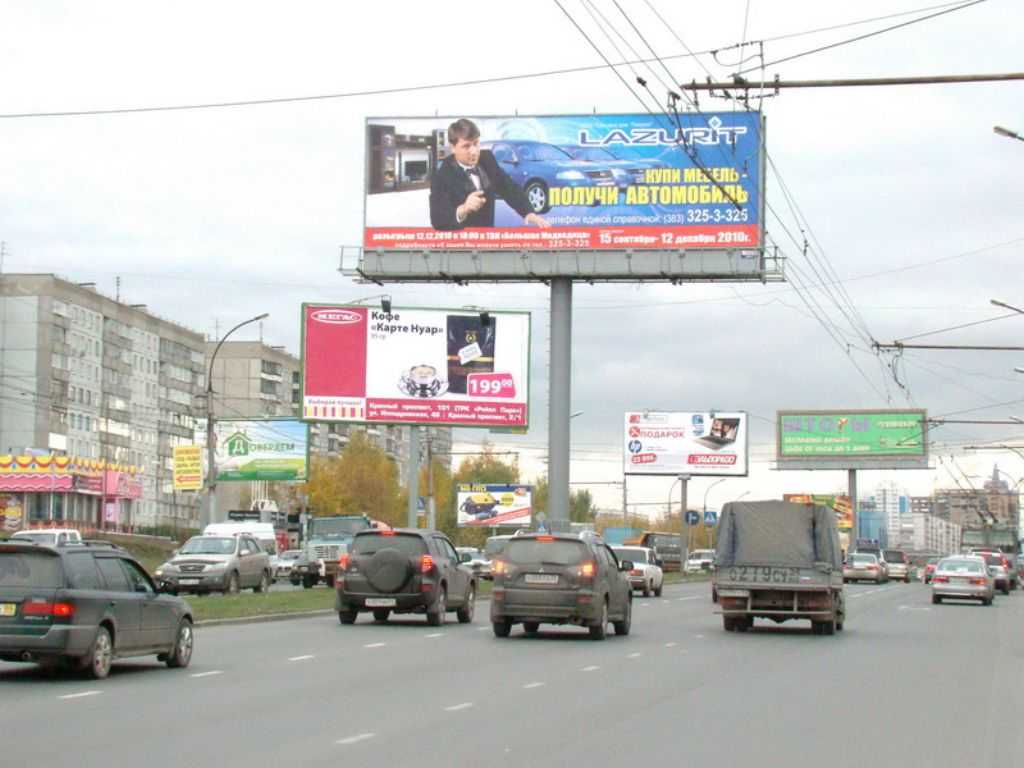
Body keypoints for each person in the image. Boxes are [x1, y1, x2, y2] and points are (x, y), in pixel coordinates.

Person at [430, 118, 551, 231]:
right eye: (466, 146)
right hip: (460, 246)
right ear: (453, 148)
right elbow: (438, 220)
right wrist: (463, 209)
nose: (473, 151)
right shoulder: (442, 175)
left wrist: (528, 212)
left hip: (487, 240)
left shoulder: (487, 159)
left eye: (476, 143)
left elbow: (508, 188)